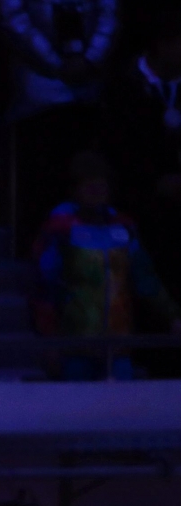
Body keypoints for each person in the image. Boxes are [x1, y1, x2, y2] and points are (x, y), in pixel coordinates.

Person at [33, 151, 181, 378]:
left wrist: (172, 316)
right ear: (75, 189)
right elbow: (44, 288)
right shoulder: (60, 231)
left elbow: (145, 279)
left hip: (119, 346)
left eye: (101, 183)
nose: (96, 189)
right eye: (88, 183)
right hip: (76, 348)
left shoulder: (125, 229)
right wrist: (49, 339)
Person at [0, 0, 116, 251]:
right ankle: (38, 251)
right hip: (37, 84)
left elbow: (110, 14)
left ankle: (87, 251)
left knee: (84, 169)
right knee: (40, 176)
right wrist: (55, 61)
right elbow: (13, 16)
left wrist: (90, 58)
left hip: (88, 87)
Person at [101, 15, 181, 296]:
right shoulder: (124, 85)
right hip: (137, 207)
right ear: (162, 45)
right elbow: (118, 146)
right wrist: (153, 181)